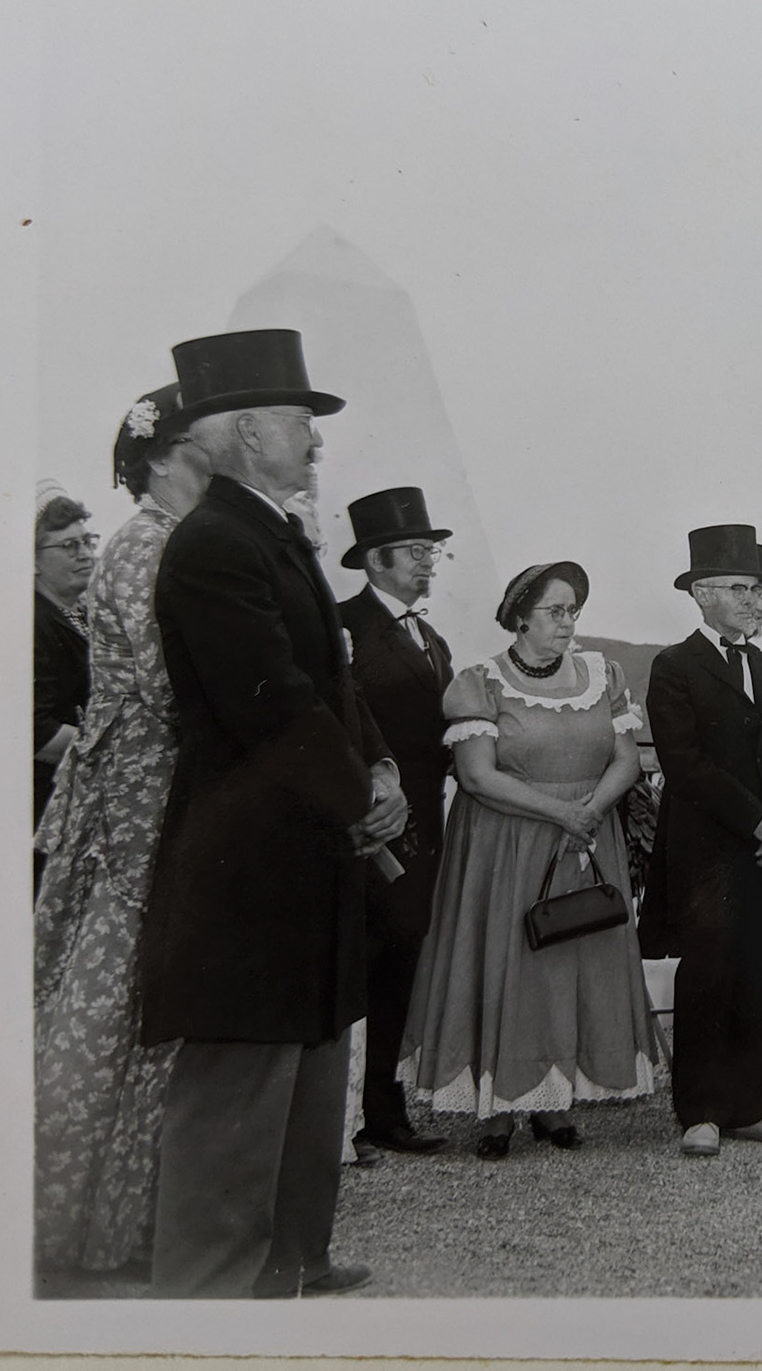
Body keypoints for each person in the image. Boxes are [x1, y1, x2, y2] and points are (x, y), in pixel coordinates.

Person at [139, 329, 406, 1298]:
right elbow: (274, 702)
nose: (316, 440)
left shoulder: (269, 532)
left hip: (304, 864)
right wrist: (361, 802)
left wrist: (381, 769)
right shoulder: (213, 545)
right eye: (301, 421)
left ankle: (292, 1268)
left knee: (306, 1081)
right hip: (247, 880)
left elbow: (332, 685)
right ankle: (208, 1304)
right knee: (236, 1107)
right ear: (250, 432)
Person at [33, 387, 208, 1278]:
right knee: (129, 990)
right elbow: (166, 686)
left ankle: (143, 1210)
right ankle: (111, 1220)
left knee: (147, 988)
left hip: (157, 785)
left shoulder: (172, 540)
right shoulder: (143, 549)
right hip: (142, 793)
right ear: (171, 450)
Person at [403, 561, 656, 1158]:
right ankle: (498, 1114)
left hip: (586, 840)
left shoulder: (604, 674)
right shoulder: (481, 682)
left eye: (574, 610)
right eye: (555, 611)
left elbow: (627, 758)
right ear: (520, 617)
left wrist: (590, 810)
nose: (569, 622)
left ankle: (555, 1100)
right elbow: (476, 775)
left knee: (571, 965)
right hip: (507, 846)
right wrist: (559, 813)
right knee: (510, 965)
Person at [642, 526, 762, 1156]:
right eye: (740, 589)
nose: (754, 602)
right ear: (701, 594)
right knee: (708, 972)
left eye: (761, 590)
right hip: (707, 852)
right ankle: (700, 1110)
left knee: (756, 975)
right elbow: (685, 764)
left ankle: (748, 1103)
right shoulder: (673, 666)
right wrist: (757, 820)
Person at [336, 487, 457, 1158]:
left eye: (431, 550)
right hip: (370, 828)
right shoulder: (343, 625)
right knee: (364, 962)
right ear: (377, 558)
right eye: (417, 551)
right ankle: (351, 1112)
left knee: (401, 965)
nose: (429, 562)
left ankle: (383, 1109)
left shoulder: (430, 636)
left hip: (424, 828)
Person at [34, 481, 96, 895]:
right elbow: (35, 732)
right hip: (47, 801)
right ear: (33, 560)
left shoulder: (80, 611)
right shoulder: (34, 622)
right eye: (69, 546)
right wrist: (106, 747)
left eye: (88, 540)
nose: (86, 554)